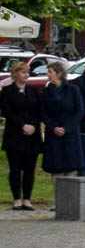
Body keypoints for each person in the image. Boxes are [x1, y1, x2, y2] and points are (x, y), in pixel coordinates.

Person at [2, 59, 43, 210]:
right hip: (15, 134)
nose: (26, 75)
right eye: (23, 72)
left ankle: (27, 198)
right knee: (15, 168)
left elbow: (39, 111)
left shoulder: (33, 91)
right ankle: (17, 198)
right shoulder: (7, 91)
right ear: (15, 73)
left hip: (32, 135)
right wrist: (22, 125)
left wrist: (33, 125)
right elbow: (7, 111)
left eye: (27, 72)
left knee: (29, 168)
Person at [41, 62, 84, 181]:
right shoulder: (45, 92)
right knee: (55, 168)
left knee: (70, 168)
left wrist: (66, 128)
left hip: (70, 133)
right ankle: (57, 193)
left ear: (59, 73)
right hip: (53, 134)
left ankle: (69, 193)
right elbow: (43, 113)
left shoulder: (73, 90)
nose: (48, 74)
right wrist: (54, 127)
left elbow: (80, 111)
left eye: (50, 72)